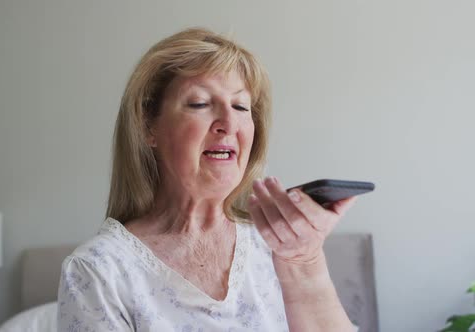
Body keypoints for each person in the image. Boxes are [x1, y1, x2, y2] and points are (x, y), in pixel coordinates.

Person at [57, 27, 357, 331]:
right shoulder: (98, 270)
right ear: (148, 126)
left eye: (240, 106)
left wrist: (305, 262)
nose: (229, 124)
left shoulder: (276, 243)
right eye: (199, 104)